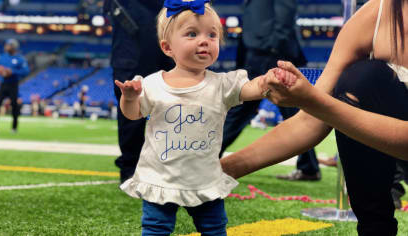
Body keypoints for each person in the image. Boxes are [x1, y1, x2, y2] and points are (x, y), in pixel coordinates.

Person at [221, 0, 408, 235]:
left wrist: (315, 101)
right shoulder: (376, 13)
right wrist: (221, 171)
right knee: (363, 78)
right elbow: (309, 120)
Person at [115, 1, 271, 235]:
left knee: (215, 227)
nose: (204, 40)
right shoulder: (152, 83)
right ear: (168, 48)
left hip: (204, 180)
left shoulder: (222, 84)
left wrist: (268, 81)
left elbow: (250, 89)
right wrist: (129, 98)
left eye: (212, 34)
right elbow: (133, 113)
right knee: (155, 228)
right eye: (192, 34)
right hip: (160, 179)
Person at [219, 0, 320, 181]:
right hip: (259, 51)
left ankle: (207, 159)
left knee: (241, 108)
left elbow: (286, 11)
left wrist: (273, 45)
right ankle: (309, 167)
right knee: (290, 111)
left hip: (269, 52)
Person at [103, 0, 173, 182]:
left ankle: (147, 168)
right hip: (135, 46)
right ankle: (131, 170)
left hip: (163, 44)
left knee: (172, 112)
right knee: (131, 114)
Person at [0, 39, 29, 133]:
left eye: (8, 45)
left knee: (14, 105)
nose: (6, 47)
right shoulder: (3, 57)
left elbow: (26, 71)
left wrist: (12, 72)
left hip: (13, 84)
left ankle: (14, 127)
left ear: (14, 46)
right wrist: (0, 71)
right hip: (3, 83)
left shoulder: (20, 59)